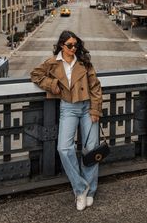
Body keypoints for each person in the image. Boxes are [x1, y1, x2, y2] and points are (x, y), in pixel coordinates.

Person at [30, 30, 102, 211]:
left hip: (87, 107)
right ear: (62, 45)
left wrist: (95, 109)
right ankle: (80, 188)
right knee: (63, 148)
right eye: (69, 45)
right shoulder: (53, 62)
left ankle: (91, 191)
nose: (73, 48)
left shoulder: (84, 62)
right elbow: (36, 74)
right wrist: (53, 85)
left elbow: (95, 86)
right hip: (68, 108)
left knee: (91, 149)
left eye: (75, 45)